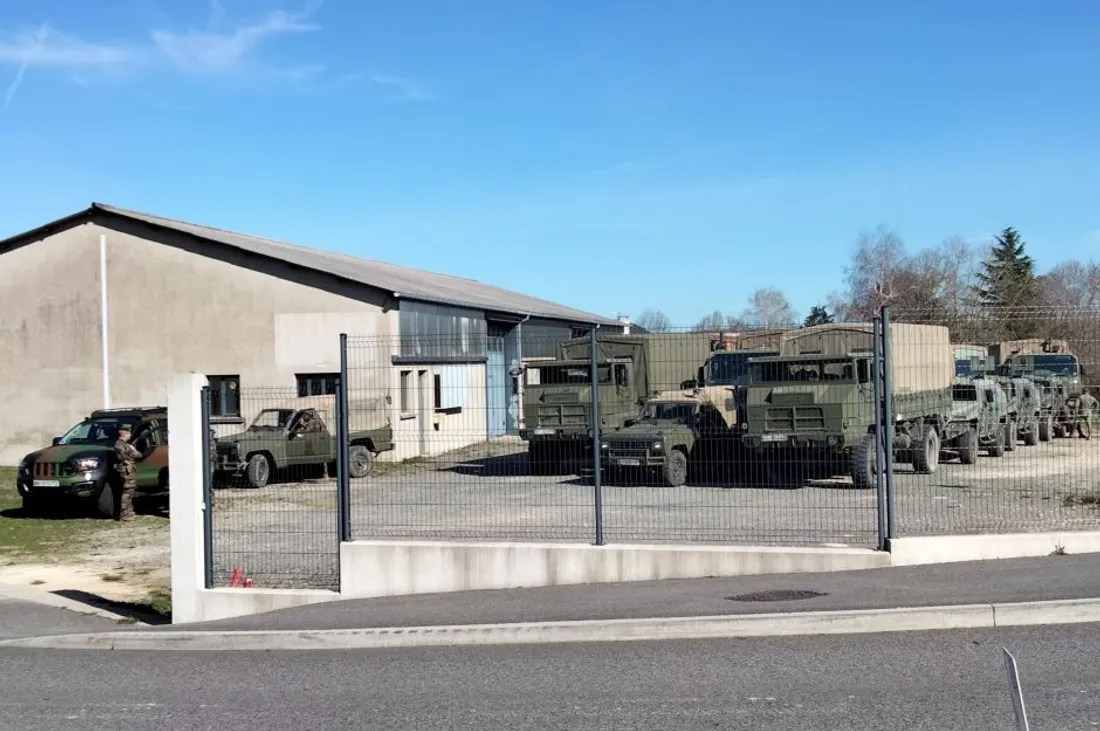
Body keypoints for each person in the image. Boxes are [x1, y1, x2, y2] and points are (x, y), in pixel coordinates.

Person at [113, 426, 143, 521]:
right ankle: (126, 515)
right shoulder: (122, 445)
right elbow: (138, 455)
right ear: (124, 434)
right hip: (126, 471)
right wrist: (133, 449)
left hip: (127, 471)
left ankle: (128, 512)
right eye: (129, 433)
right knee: (127, 493)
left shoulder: (121, 445)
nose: (130, 435)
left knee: (129, 492)